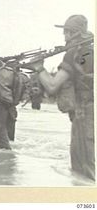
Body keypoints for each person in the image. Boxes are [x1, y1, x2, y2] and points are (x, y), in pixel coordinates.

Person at [26, 15, 94, 180]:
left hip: (84, 112)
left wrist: (38, 68)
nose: (64, 37)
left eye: (66, 33)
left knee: (83, 168)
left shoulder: (75, 53)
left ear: (71, 33)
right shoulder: (90, 52)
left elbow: (52, 86)